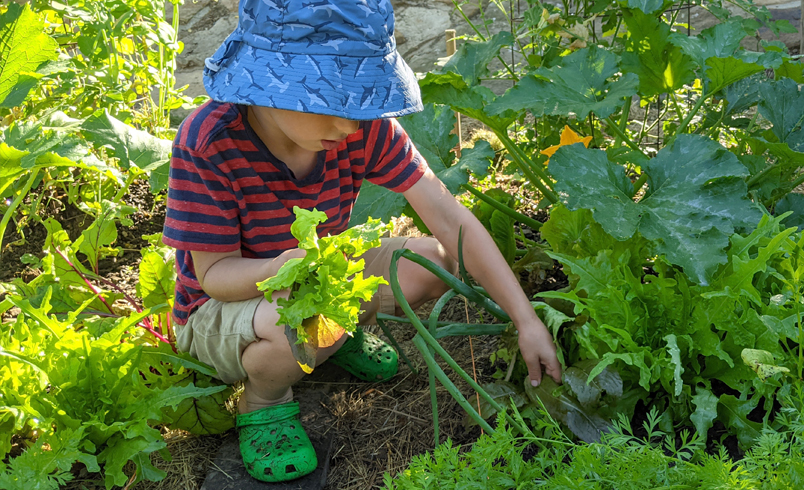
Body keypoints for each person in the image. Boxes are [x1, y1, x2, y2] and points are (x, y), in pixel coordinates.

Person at [162, 0, 561, 483]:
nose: (350, 124)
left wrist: (525, 318)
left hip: (320, 281)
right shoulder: (207, 143)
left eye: (362, 99)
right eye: (333, 99)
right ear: (268, 84)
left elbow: (447, 215)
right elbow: (215, 276)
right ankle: (264, 400)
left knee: (430, 262)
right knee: (301, 319)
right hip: (222, 310)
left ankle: (331, 339)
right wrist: (281, 270)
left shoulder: (358, 130)